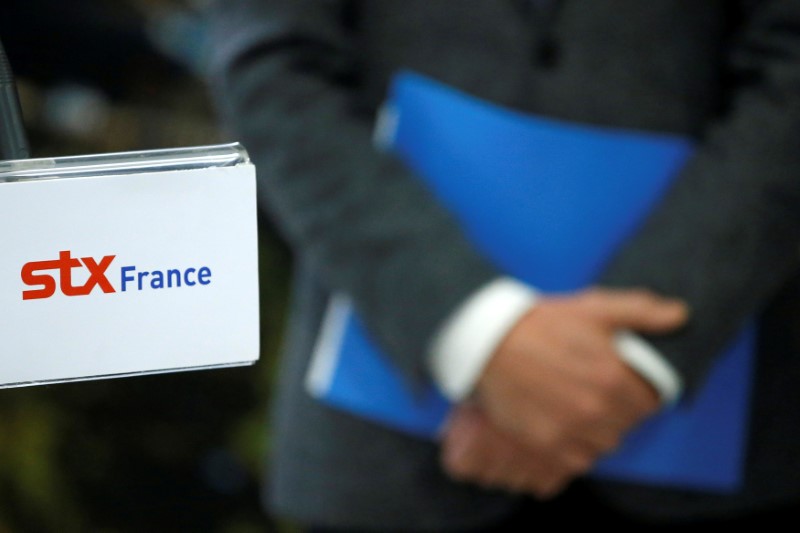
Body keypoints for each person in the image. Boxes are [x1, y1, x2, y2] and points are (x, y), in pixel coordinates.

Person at [205, 1, 800, 530]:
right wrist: (479, 333)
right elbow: (270, 64)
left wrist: (632, 359)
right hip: (389, 451)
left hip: (711, 422)